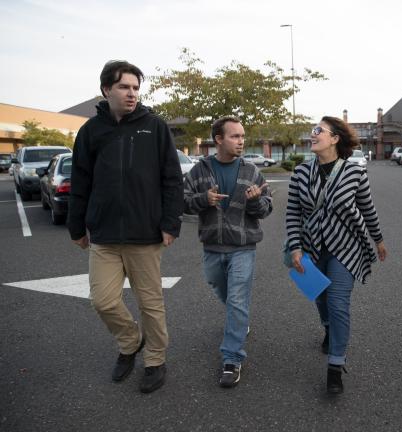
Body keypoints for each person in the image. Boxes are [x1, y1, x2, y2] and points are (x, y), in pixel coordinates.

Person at [68, 60, 184, 393]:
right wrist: (77, 226)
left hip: (145, 234)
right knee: (102, 301)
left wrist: (170, 223)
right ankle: (130, 341)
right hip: (103, 234)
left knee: (151, 303)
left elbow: (171, 179)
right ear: (107, 90)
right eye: (124, 87)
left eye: (135, 87)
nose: (132, 93)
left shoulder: (155, 127)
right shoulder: (92, 131)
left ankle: (154, 360)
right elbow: (81, 180)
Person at [285, 116, 387, 394]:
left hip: (346, 247)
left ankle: (335, 365)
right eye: (313, 130)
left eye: (319, 130)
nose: (313, 134)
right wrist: (295, 247)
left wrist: (378, 240)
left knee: (339, 302)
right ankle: (328, 327)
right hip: (310, 247)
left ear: (334, 138)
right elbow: (293, 212)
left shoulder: (354, 172)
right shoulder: (300, 173)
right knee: (320, 298)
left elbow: (367, 209)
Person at [183, 116, 272, 388]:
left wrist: (256, 202)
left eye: (242, 136)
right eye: (234, 136)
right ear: (218, 139)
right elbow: (181, 202)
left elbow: (267, 208)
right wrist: (203, 200)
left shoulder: (251, 172)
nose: (241, 141)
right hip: (211, 245)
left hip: (243, 247)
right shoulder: (198, 171)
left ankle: (232, 358)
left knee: (236, 299)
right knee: (219, 286)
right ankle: (239, 319)